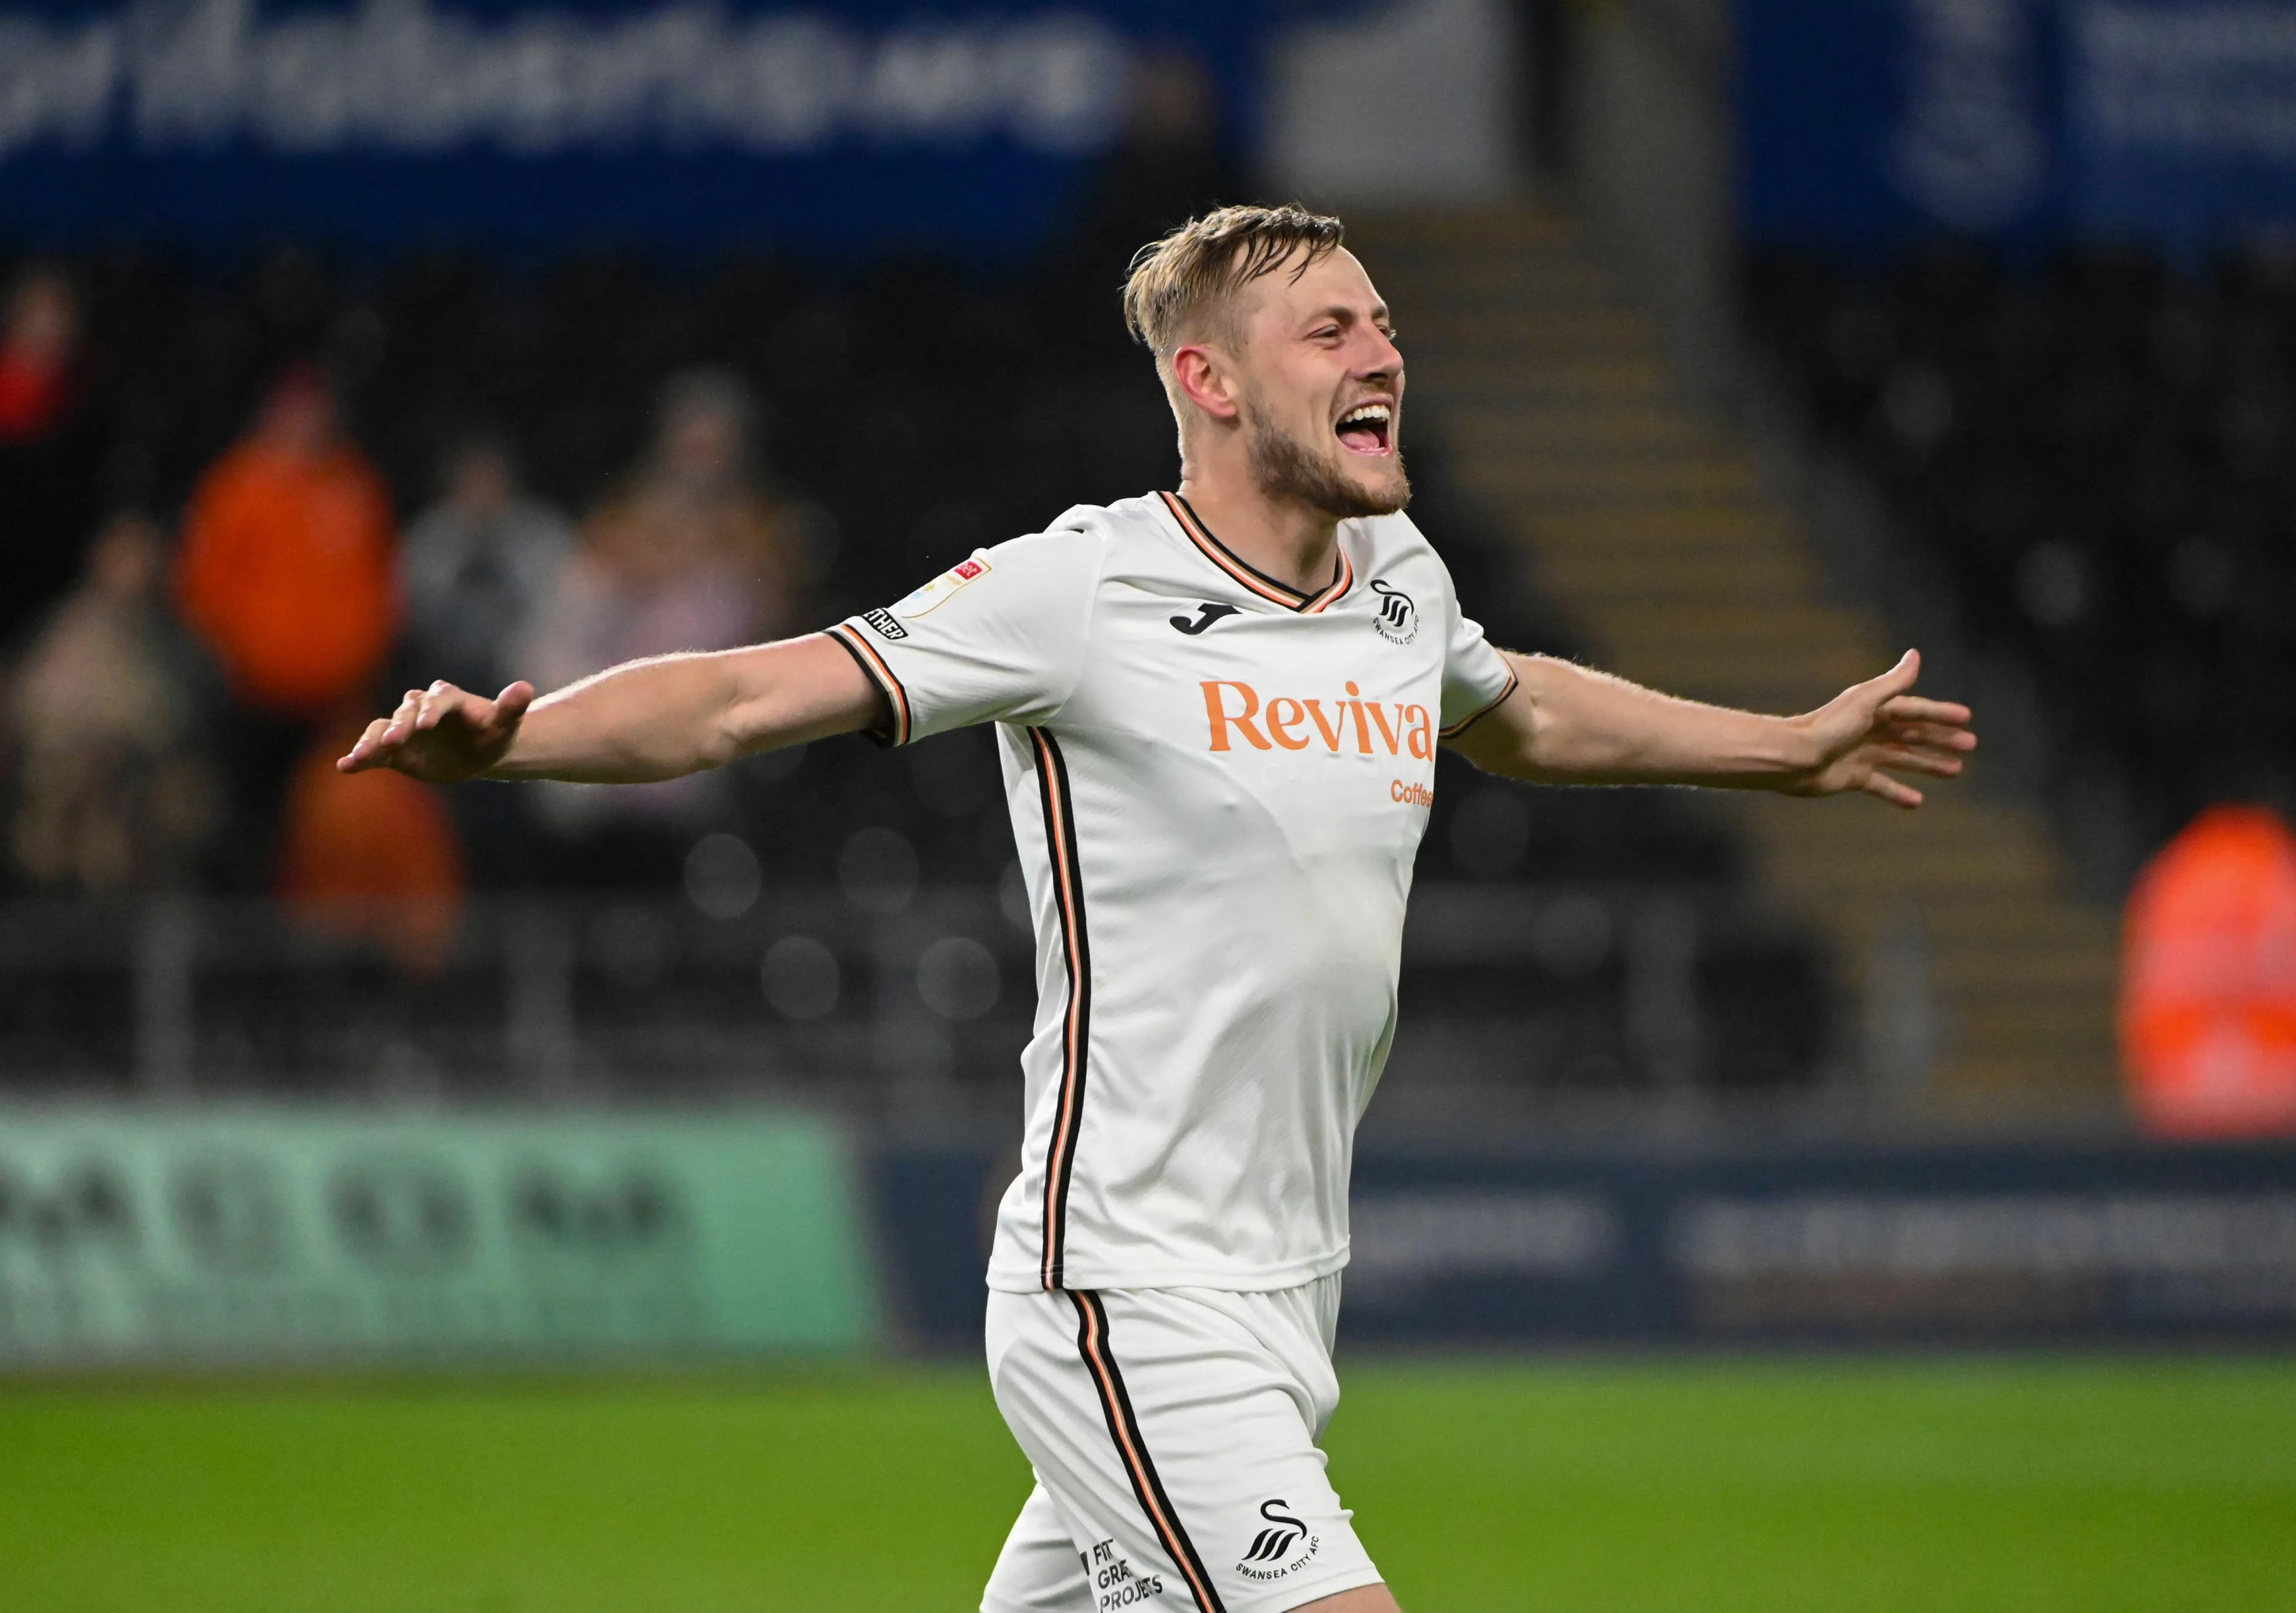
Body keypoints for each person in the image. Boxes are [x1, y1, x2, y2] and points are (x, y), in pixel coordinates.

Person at [341, 205, 1977, 1613]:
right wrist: (518, 744)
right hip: (1122, 1283)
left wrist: (1788, 747)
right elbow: (752, 695)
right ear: (1210, 380)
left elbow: (1523, 711)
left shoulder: (1399, 574)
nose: (1381, 352)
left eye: (1386, 323)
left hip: (1286, 1284)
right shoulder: (1083, 589)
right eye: (1329, 327)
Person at [514, 368, 803, 878]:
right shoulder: (629, 513)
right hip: (628, 692)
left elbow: (776, 617)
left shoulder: (760, 527)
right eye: (692, 442)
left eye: (715, 445)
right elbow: (587, 591)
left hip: (715, 708)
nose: (702, 459)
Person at [175, 365, 399, 873]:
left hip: (335, 705)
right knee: (251, 830)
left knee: (329, 831)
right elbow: (204, 587)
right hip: (252, 701)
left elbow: (380, 586)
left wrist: (356, 664)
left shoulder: (356, 488)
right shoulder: (237, 487)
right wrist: (239, 658)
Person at [7, 512, 221, 892]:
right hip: (63, 809)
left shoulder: (178, 643)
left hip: (148, 812)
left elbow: (188, 729)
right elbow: (31, 714)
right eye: (120, 554)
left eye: (140, 555)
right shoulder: (63, 634)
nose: (130, 568)